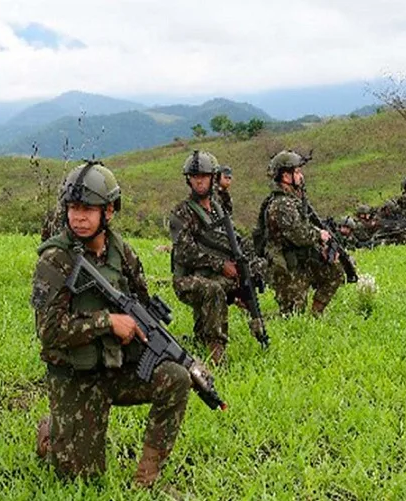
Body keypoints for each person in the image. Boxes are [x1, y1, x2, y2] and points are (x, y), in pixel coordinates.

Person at [31, 161, 191, 488]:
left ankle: (146, 478)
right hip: (75, 375)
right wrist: (107, 322)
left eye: (88, 209)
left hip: (116, 367)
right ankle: (51, 433)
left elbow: (141, 306)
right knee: (81, 481)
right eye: (73, 208)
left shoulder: (122, 254)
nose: (78, 217)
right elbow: (49, 333)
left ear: (109, 211)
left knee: (176, 377)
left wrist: (152, 336)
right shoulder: (55, 260)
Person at [169, 151, 260, 363]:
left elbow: (231, 237)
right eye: (194, 176)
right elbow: (185, 252)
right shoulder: (181, 212)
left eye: (204, 176)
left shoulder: (218, 208)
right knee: (214, 290)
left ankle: (205, 336)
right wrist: (220, 264)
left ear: (213, 178)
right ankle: (216, 353)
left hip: (212, 274)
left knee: (247, 277)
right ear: (188, 179)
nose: (199, 181)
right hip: (187, 279)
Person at [255, 150, 344, 316]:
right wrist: (319, 235)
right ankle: (258, 320)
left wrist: (324, 246)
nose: (301, 176)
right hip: (287, 266)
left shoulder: (294, 199)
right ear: (285, 176)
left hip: (303, 258)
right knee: (292, 315)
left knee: (335, 270)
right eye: (296, 172)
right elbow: (299, 235)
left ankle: (316, 314)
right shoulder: (281, 204)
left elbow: (306, 225)